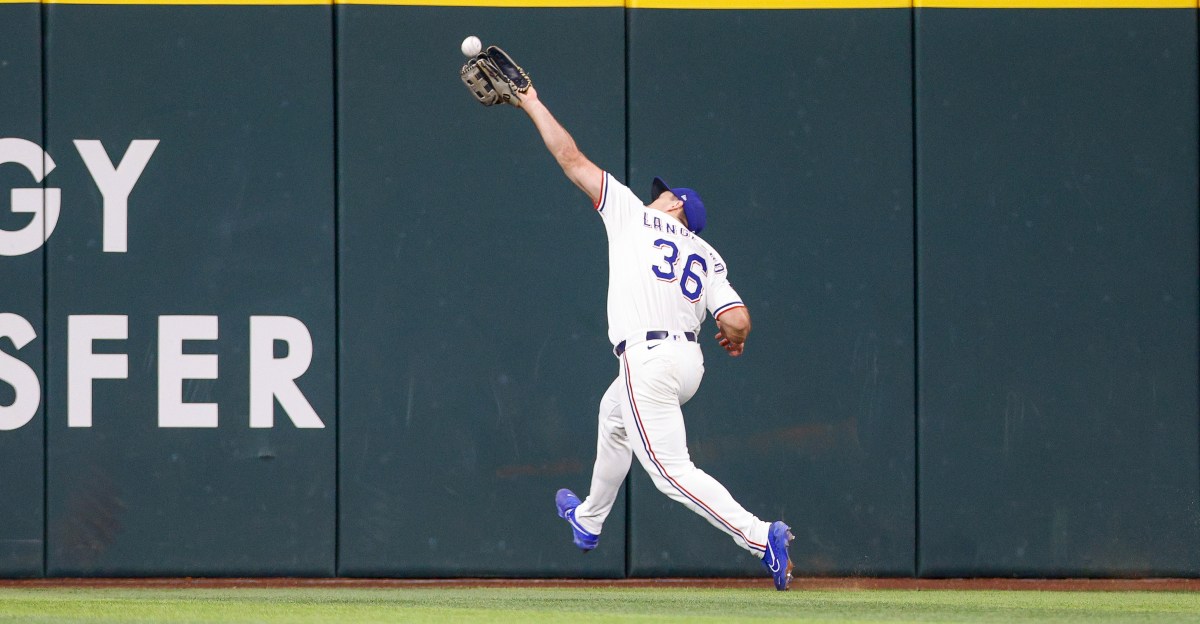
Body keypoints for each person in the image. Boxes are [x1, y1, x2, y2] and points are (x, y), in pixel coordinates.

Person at [513, 86, 793, 591]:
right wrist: (735, 338)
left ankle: (760, 536)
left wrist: (530, 100)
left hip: (650, 359)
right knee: (614, 414)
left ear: (675, 205)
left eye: (664, 192)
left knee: (669, 473)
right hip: (686, 363)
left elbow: (569, 156)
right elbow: (738, 319)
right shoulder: (709, 257)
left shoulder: (633, 215)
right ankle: (590, 518)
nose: (656, 193)